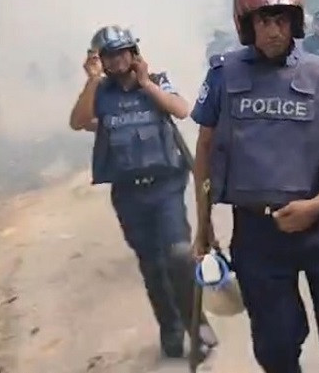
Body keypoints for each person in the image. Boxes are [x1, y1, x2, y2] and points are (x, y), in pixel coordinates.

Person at [191, 0, 319, 373]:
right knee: (276, 346)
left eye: (282, 20)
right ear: (246, 24)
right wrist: (203, 224)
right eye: (264, 20)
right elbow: (204, 149)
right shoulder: (223, 75)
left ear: (295, 23)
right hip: (258, 233)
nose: (274, 31)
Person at [68, 25, 217, 361]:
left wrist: (147, 83)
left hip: (166, 187)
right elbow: (78, 121)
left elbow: (181, 109)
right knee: (152, 265)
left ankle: (197, 325)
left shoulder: (157, 81)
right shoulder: (101, 93)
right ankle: (171, 327)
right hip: (128, 194)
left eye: (123, 52)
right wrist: (91, 81)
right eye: (109, 55)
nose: (117, 60)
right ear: (99, 61)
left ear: (134, 53)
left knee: (179, 255)